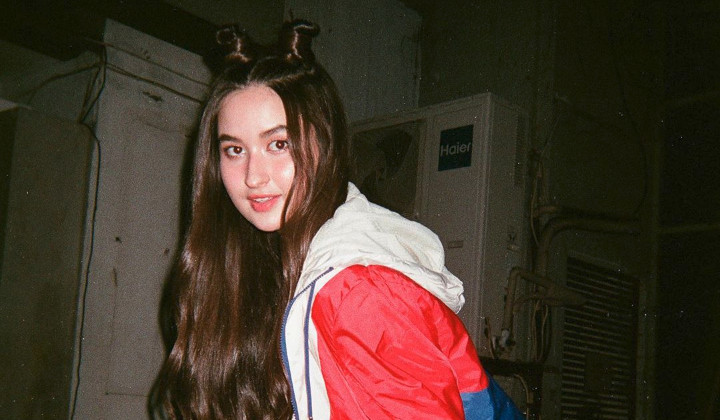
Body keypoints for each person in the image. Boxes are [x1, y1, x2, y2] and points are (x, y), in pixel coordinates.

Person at [154, 19, 522, 420]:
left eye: (279, 144)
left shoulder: (356, 291)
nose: (253, 177)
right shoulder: (270, 262)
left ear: (323, 142)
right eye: (235, 150)